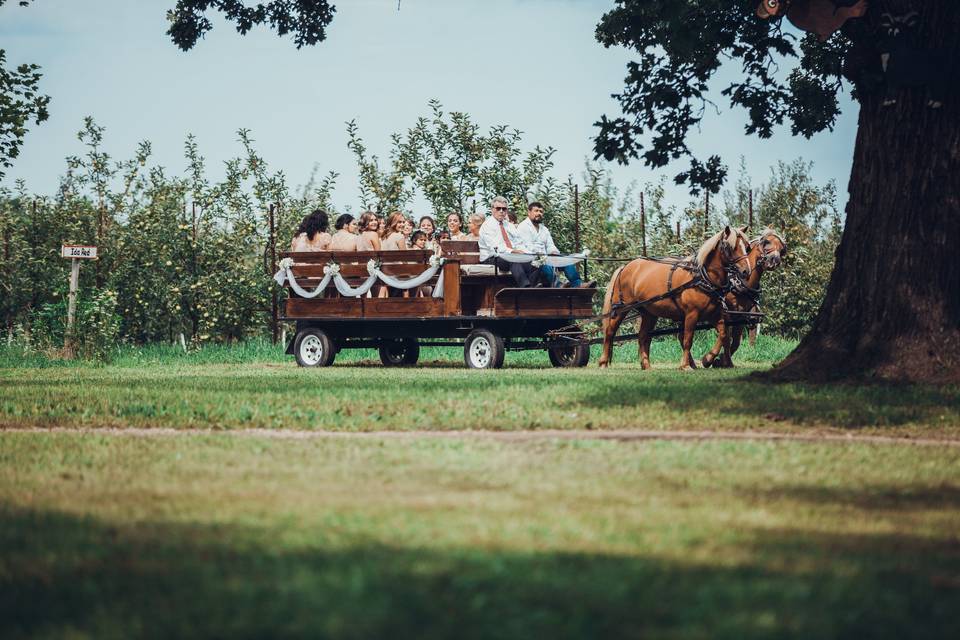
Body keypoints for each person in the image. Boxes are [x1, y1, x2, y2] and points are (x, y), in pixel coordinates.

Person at [516, 201, 594, 288]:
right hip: (531, 259)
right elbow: (528, 247)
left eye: (541, 211)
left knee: (566, 260)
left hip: (545, 257)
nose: (539, 213)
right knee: (544, 262)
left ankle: (578, 284)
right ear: (529, 212)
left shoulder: (544, 229)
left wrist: (553, 251)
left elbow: (550, 244)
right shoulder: (523, 227)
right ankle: (558, 285)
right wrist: (544, 255)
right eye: (536, 211)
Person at [477, 196, 540, 288]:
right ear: (492, 209)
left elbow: (519, 243)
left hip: (510, 256)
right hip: (491, 258)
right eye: (498, 208)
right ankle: (525, 288)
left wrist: (528, 253)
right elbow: (495, 248)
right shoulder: (487, 226)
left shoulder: (509, 225)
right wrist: (512, 251)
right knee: (513, 260)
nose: (501, 211)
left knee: (537, 261)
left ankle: (533, 289)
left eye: (504, 209)